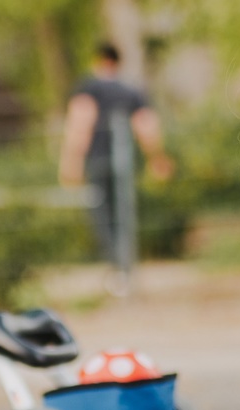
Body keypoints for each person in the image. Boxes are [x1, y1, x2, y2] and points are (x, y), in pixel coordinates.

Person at [57, 43, 174, 276]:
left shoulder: (88, 88)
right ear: (117, 62)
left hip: (98, 161)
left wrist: (71, 161)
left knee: (102, 216)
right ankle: (126, 266)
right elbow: (147, 126)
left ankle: (118, 267)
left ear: (97, 60)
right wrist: (157, 159)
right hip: (126, 164)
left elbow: (80, 123)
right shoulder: (131, 91)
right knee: (124, 213)